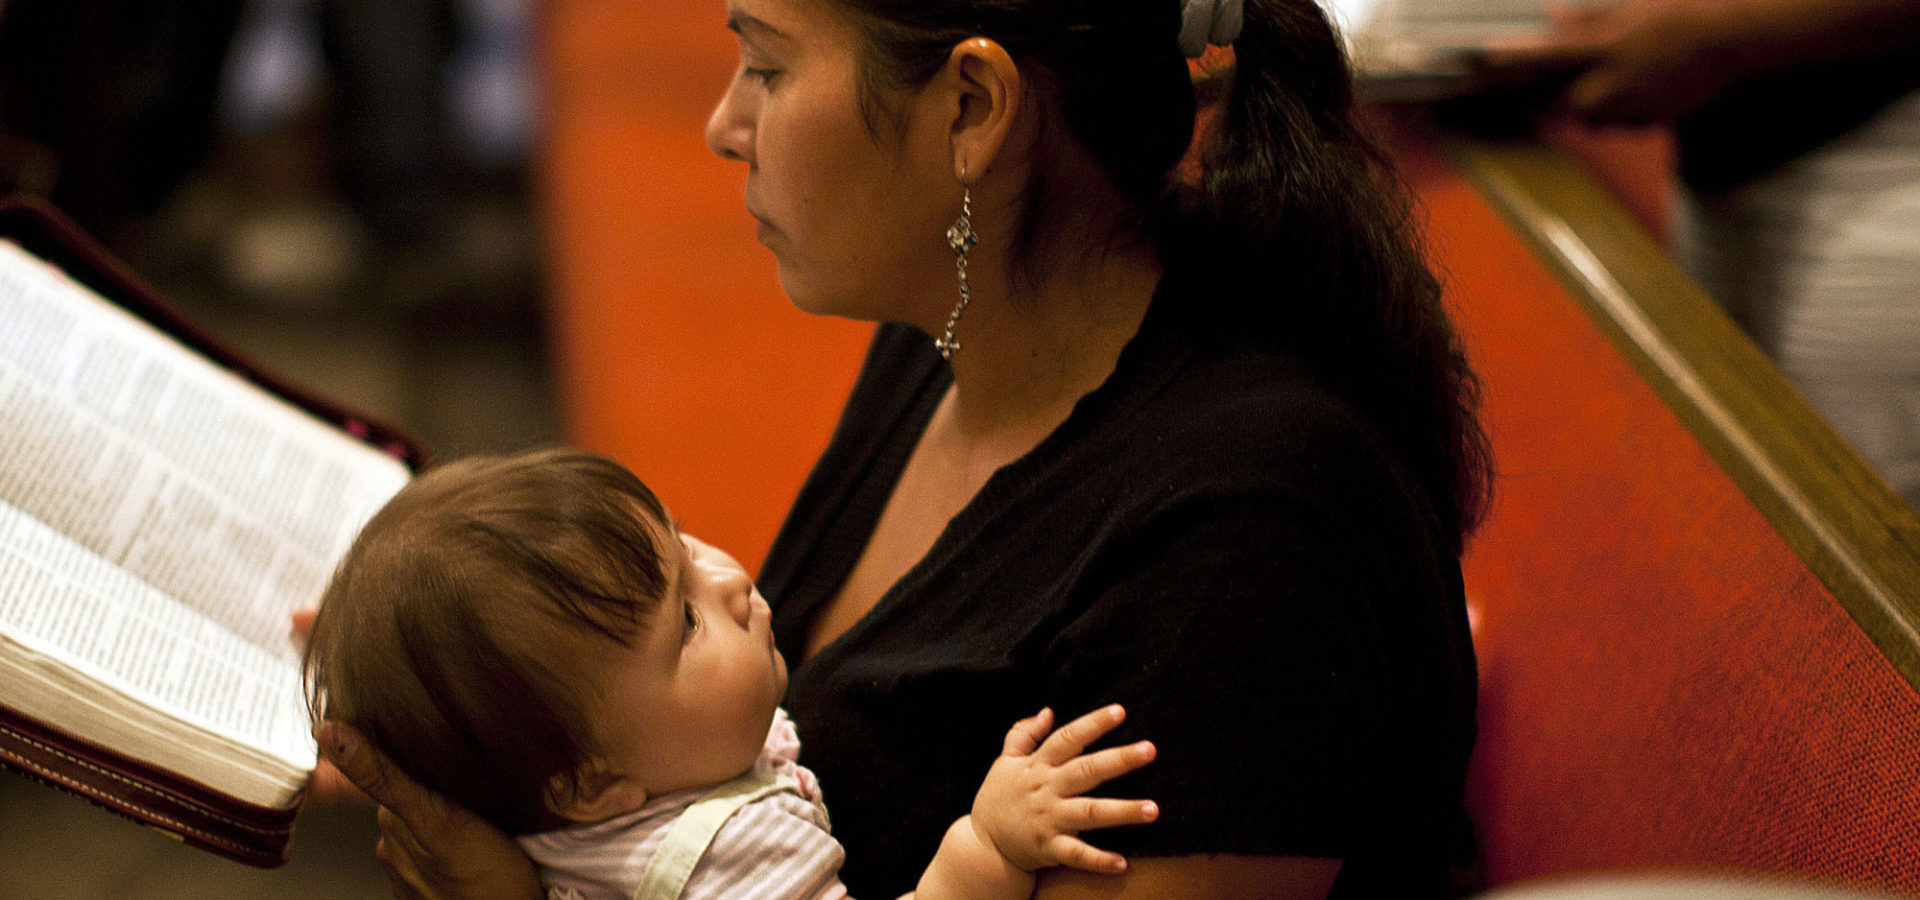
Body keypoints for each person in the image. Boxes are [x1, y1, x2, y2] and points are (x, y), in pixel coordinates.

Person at [308, 0, 1494, 897]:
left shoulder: (1250, 550)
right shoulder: (953, 333)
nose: (724, 125)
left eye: (767, 64)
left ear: (971, 109)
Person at [303, 448, 1160, 900]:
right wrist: (986, 851)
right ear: (594, 787)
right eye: (683, 621)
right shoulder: (732, 860)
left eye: (682, 545)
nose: (732, 583)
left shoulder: (549, 782)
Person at [1478, 0, 1920, 510]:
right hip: (1722, 157)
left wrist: (1715, 27)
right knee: (1742, 510)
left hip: (1881, 165)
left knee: (1864, 535)